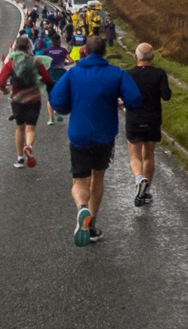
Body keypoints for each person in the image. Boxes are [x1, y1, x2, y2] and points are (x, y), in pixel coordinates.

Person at [49, 35, 142, 247]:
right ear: (105, 53)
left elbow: (55, 100)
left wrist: (69, 108)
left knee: (80, 180)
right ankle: (91, 226)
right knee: (98, 176)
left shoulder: (73, 73)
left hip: (79, 133)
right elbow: (135, 98)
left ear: (84, 52)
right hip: (104, 134)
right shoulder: (116, 73)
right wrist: (120, 102)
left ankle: (82, 207)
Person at [125, 43, 172, 206]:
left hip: (134, 118)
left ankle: (139, 179)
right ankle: (148, 190)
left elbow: (123, 96)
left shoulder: (129, 74)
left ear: (135, 57)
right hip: (152, 118)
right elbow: (166, 96)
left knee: (135, 156)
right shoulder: (160, 73)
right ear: (152, 57)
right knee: (149, 155)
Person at [0, 37, 54, 169]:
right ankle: (28, 146)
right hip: (34, 98)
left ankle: (20, 158)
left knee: (20, 128)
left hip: (17, 99)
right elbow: (46, 78)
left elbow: (1, 81)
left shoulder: (11, 61)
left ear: (16, 47)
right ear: (29, 47)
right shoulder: (36, 60)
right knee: (31, 127)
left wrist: (4, 90)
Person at [43, 32, 72, 124]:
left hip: (50, 74)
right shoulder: (63, 51)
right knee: (60, 93)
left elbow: (41, 62)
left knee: (50, 95)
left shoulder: (47, 51)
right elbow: (71, 61)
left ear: (51, 41)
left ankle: (50, 118)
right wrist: (65, 64)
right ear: (59, 41)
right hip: (61, 75)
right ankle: (57, 110)